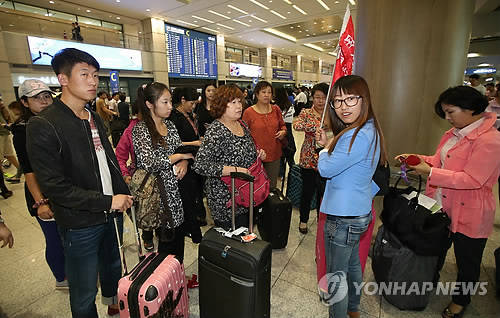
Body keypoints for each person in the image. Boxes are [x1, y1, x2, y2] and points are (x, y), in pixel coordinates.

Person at [26, 48, 133, 317]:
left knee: (112, 267)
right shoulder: (44, 124)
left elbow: (107, 162)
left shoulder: (93, 116)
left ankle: (112, 304)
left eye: (95, 75)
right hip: (79, 222)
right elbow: (56, 188)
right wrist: (108, 201)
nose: (93, 81)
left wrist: (123, 193)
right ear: (63, 79)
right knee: (84, 289)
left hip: (111, 213)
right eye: (84, 74)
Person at [396, 85, 500, 318]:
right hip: (442, 205)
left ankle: (461, 300)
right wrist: (417, 159)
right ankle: (429, 281)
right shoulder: (453, 133)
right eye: (444, 112)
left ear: (471, 109)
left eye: (450, 111)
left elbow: (473, 179)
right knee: (437, 249)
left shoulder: (491, 140)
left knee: (467, 261)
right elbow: (439, 160)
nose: (446, 117)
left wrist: (429, 173)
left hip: (471, 212)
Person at [316, 75, 386, 318]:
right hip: (358, 211)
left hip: (343, 216)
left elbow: (325, 169)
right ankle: (353, 309)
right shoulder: (368, 128)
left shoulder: (357, 134)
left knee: (337, 274)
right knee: (353, 264)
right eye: (337, 101)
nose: (343, 106)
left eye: (350, 99)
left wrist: (324, 149)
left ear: (363, 99)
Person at [11, 79, 68, 289]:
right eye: (37, 98)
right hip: (41, 193)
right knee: (54, 238)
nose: (44, 101)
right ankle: (61, 278)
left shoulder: (54, 121)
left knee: (67, 236)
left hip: (61, 189)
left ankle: (71, 271)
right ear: (24, 102)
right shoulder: (22, 130)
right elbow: (29, 171)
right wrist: (40, 202)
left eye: (46, 96)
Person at [132, 82, 193, 261]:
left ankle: (177, 275)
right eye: (164, 102)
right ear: (150, 104)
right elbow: (149, 162)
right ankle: (166, 282)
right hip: (159, 194)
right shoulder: (141, 130)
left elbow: (179, 148)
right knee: (166, 241)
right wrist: (179, 157)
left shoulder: (170, 126)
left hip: (178, 190)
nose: (170, 107)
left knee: (178, 236)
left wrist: (184, 161)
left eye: (170, 102)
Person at [193, 85, 266, 230]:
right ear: (221, 104)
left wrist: (258, 153)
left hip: (245, 193)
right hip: (225, 197)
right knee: (231, 240)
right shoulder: (216, 130)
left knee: (245, 232)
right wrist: (234, 170)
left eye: (240, 101)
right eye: (233, 102)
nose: (239, 106)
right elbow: (200, 165)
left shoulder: (242, 124)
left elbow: (246, 149)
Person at [293, 82, 331, 234]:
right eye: (317, 97)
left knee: (324, 193)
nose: (320, 101)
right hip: (309, 157)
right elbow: (297, 126)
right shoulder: (306, 112)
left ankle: (322, 220)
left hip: (327, 157)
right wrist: (316, 128)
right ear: (312, 98)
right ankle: (303, 220)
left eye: (323, 98)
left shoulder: (331, 113)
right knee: (307, 192)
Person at [170, 87, 206, 228]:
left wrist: (199, 139)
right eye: (191, 103)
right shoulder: (173, 117)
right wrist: (194, 143)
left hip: (193, 157)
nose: (193, 106)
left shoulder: (189, 115)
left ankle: (196, 218)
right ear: (183, 100)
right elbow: (173, 142)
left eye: (195, 104)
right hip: (182, 158)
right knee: (188, 193)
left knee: (197, 191)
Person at [242, 81, 286, 188]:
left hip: (274, 154)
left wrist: (283, 132)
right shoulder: (248, 112)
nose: (266, 95)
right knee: (255, 187)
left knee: (271, 186)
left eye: (269, 92)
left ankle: (270, 205)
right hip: (255, 156)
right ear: (257, 94)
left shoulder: (276, 109)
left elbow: (283, 126)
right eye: (263, 92)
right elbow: (243, 134)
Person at [0, 95, 22, 184]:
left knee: (11, 155)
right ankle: (18, 174)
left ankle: (3, 176)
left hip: (4, 133)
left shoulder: (4, 110)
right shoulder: (4, 109)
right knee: (11, 155)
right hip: (5, 133)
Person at [274, 87, 296, 176]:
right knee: (291, 156)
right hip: (289, 132)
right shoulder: (290, 105)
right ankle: (293, 174)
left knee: (281, 157)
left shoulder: (274, 107)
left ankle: (281, 175)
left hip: (279, 132)